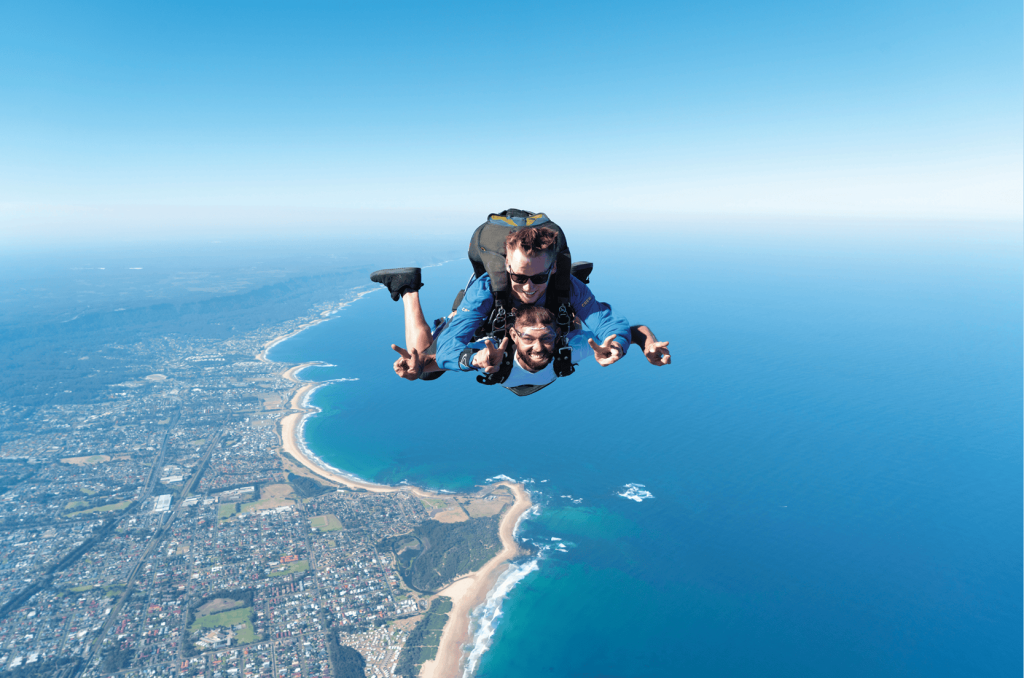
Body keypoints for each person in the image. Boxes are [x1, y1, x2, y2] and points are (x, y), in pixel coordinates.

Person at [371, 226, 666, 381]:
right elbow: (450, 345)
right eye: (519, 277)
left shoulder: (566, 286)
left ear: (552, 270)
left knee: (569, 309)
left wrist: (615, 346)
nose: (527, 287)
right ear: (506, 269)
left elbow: (608, 321)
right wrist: (472, 359)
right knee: (426, 370)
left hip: (550, 315)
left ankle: (566, 279)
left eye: (538, 278)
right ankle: (408, 287)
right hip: (490, 320)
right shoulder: (488, 288)